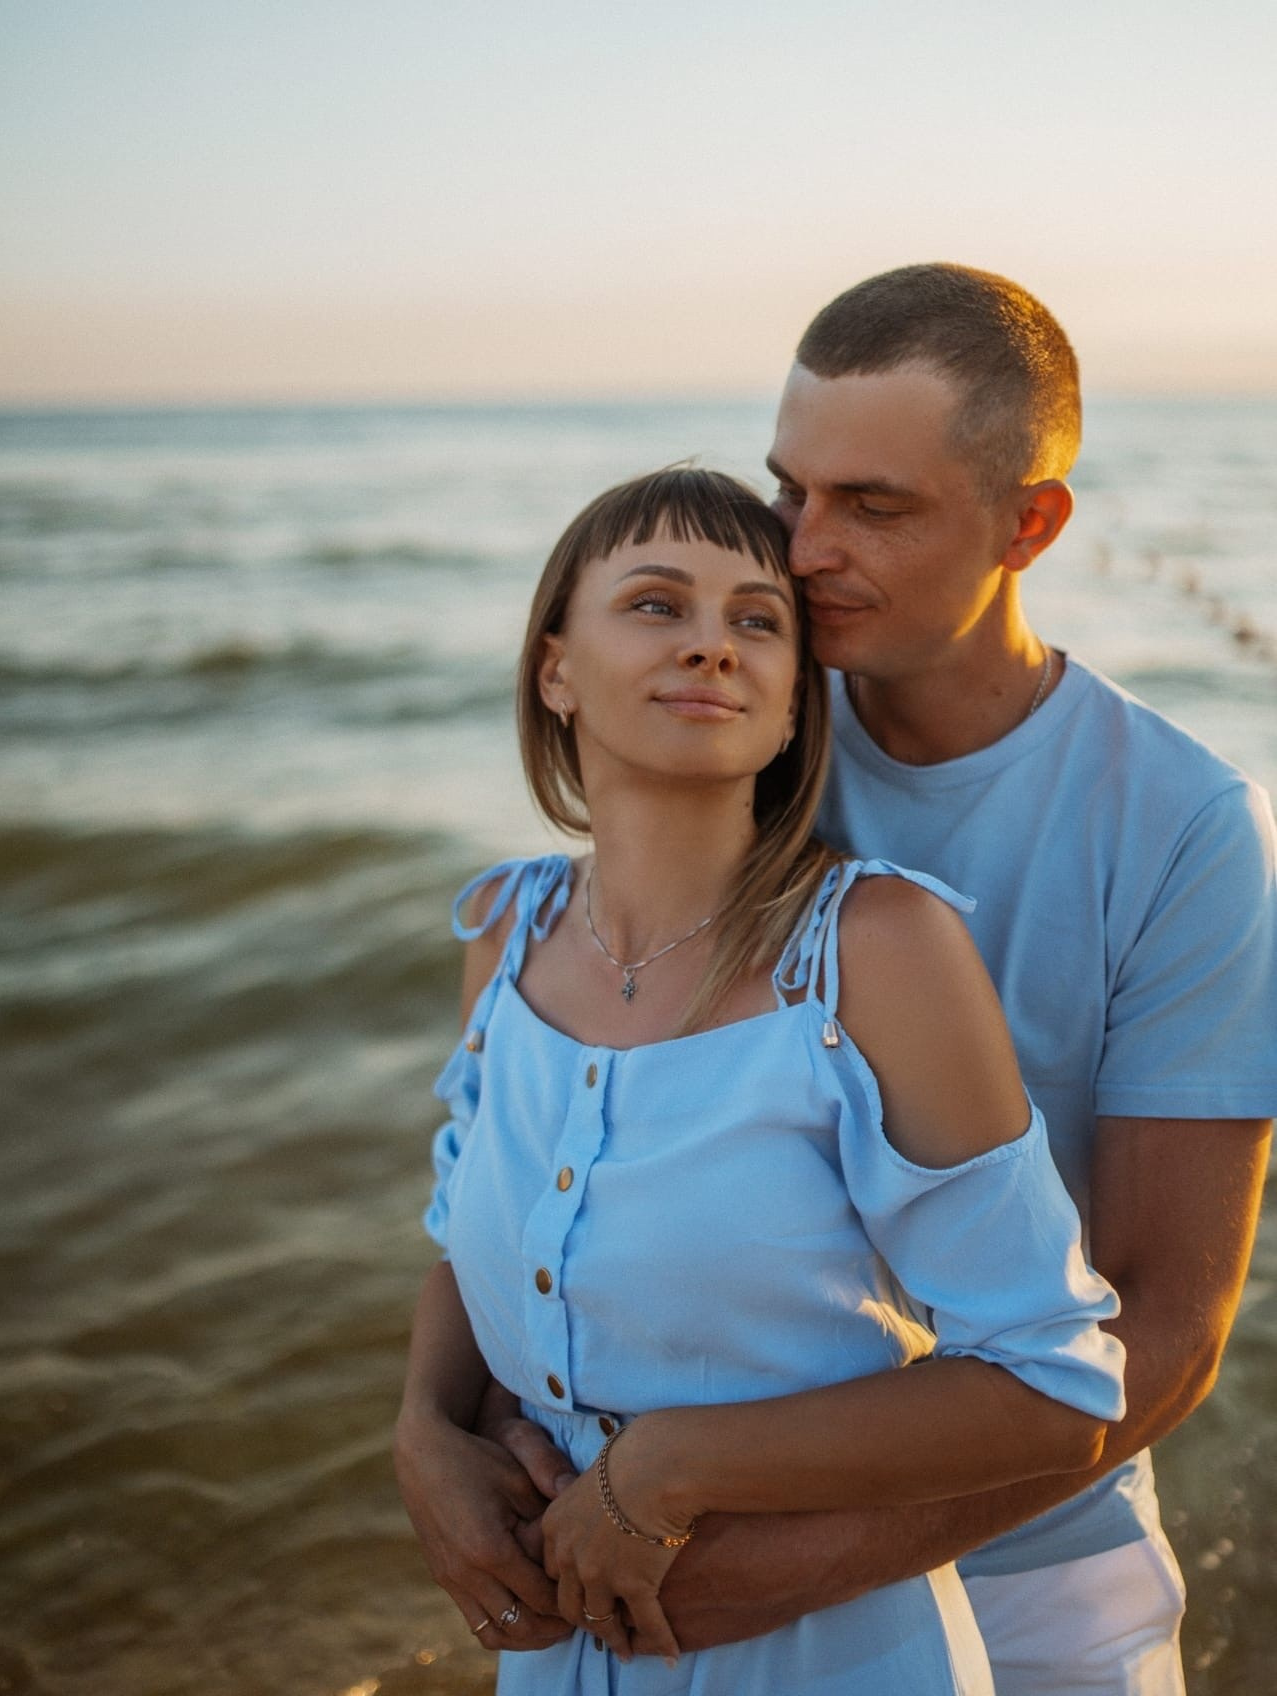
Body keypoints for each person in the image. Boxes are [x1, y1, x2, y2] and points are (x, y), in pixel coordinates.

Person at [474, 266, 1275, 1694]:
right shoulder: (737, 718)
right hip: (681, 1549)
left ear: (1026, 525)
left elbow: (1162, 1330)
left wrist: (804, 1565)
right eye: (790, 489)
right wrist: (432, 1432)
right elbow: (543, 1115)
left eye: (872, 506)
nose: (799, 547)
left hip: (1034, 1562)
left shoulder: (1179, 824)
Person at [397, 464, 1127, 1693]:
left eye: (755, 622)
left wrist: (669, 1468)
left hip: (827, 1655)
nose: (711, 649)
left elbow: (1053, 1383)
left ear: (794, 706)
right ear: (554, 667)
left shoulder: (874, 952)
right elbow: (464, 1250)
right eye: (655, 606)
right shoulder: (505, 936)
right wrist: (422, 1432)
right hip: (559, 1656)